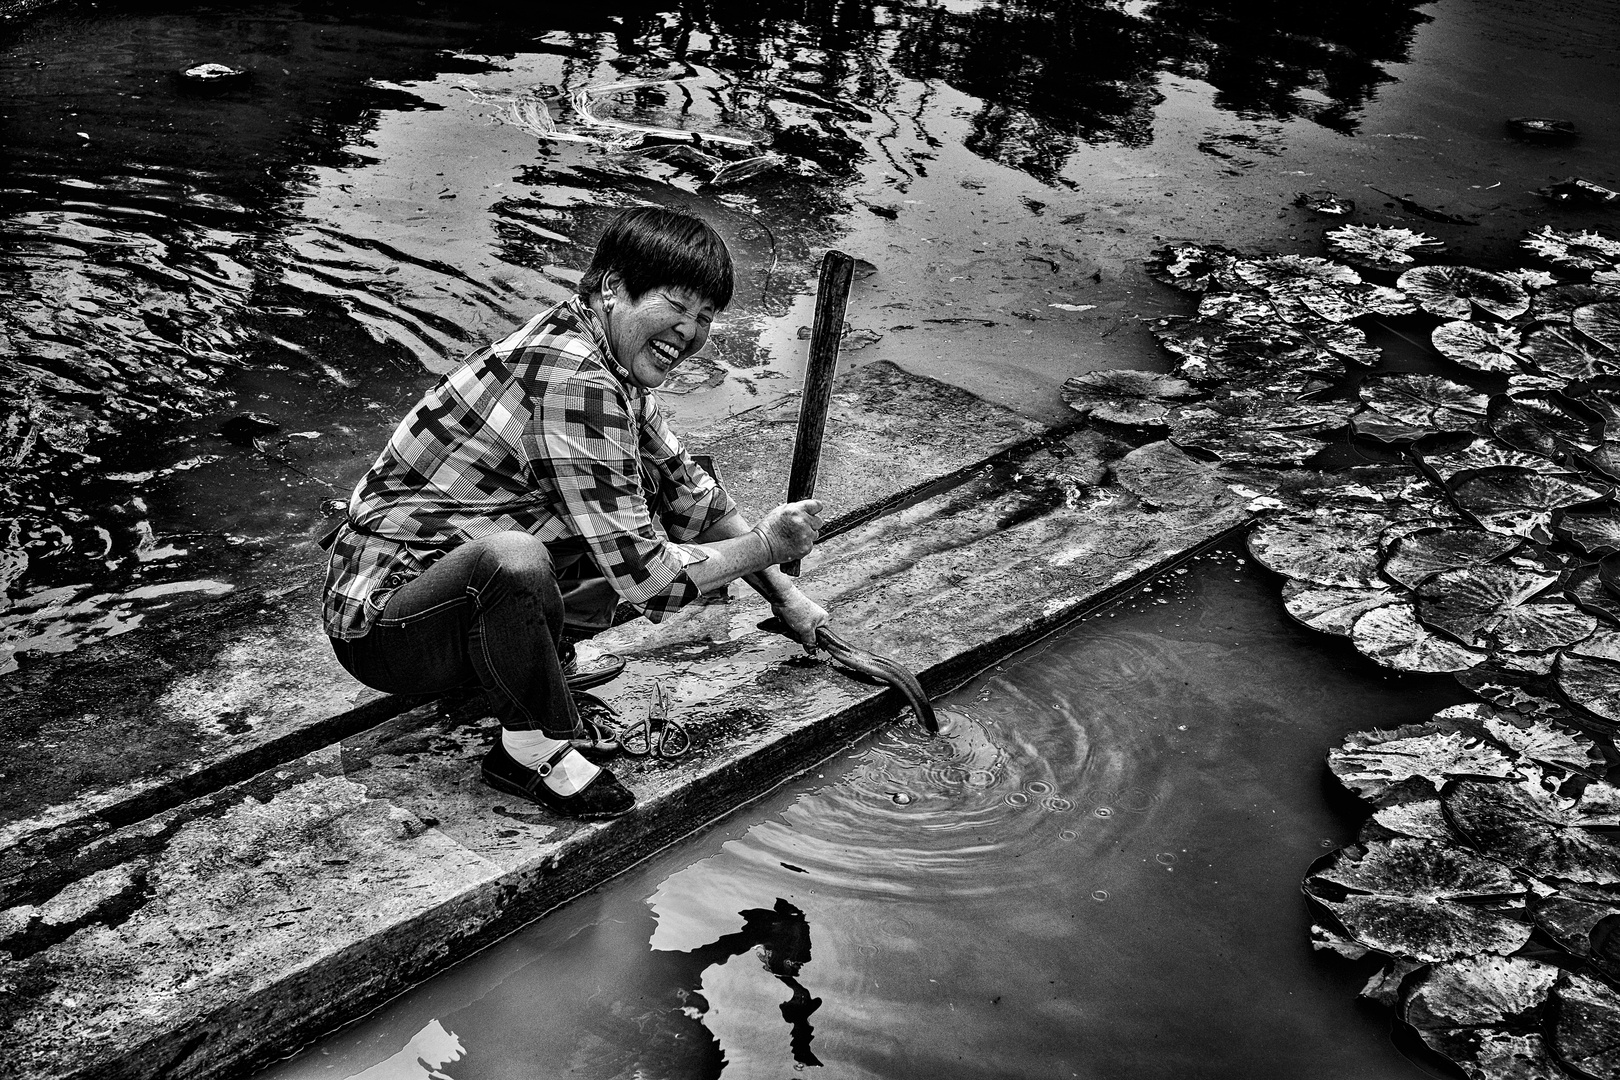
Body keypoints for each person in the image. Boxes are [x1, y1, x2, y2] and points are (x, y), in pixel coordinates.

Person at [320, 207, 830, 821]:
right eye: (675, 305)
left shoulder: (608, 358)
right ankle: (531, 750)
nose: (689, 332)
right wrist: (770, 546)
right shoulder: (576, 379)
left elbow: (691, 494)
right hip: (388, 630)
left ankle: (509, 675)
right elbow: (648, 578)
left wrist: (785, 598)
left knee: (650, 501)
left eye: (704, 317)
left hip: (445, 600)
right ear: (613, 287)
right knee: (512, 561)